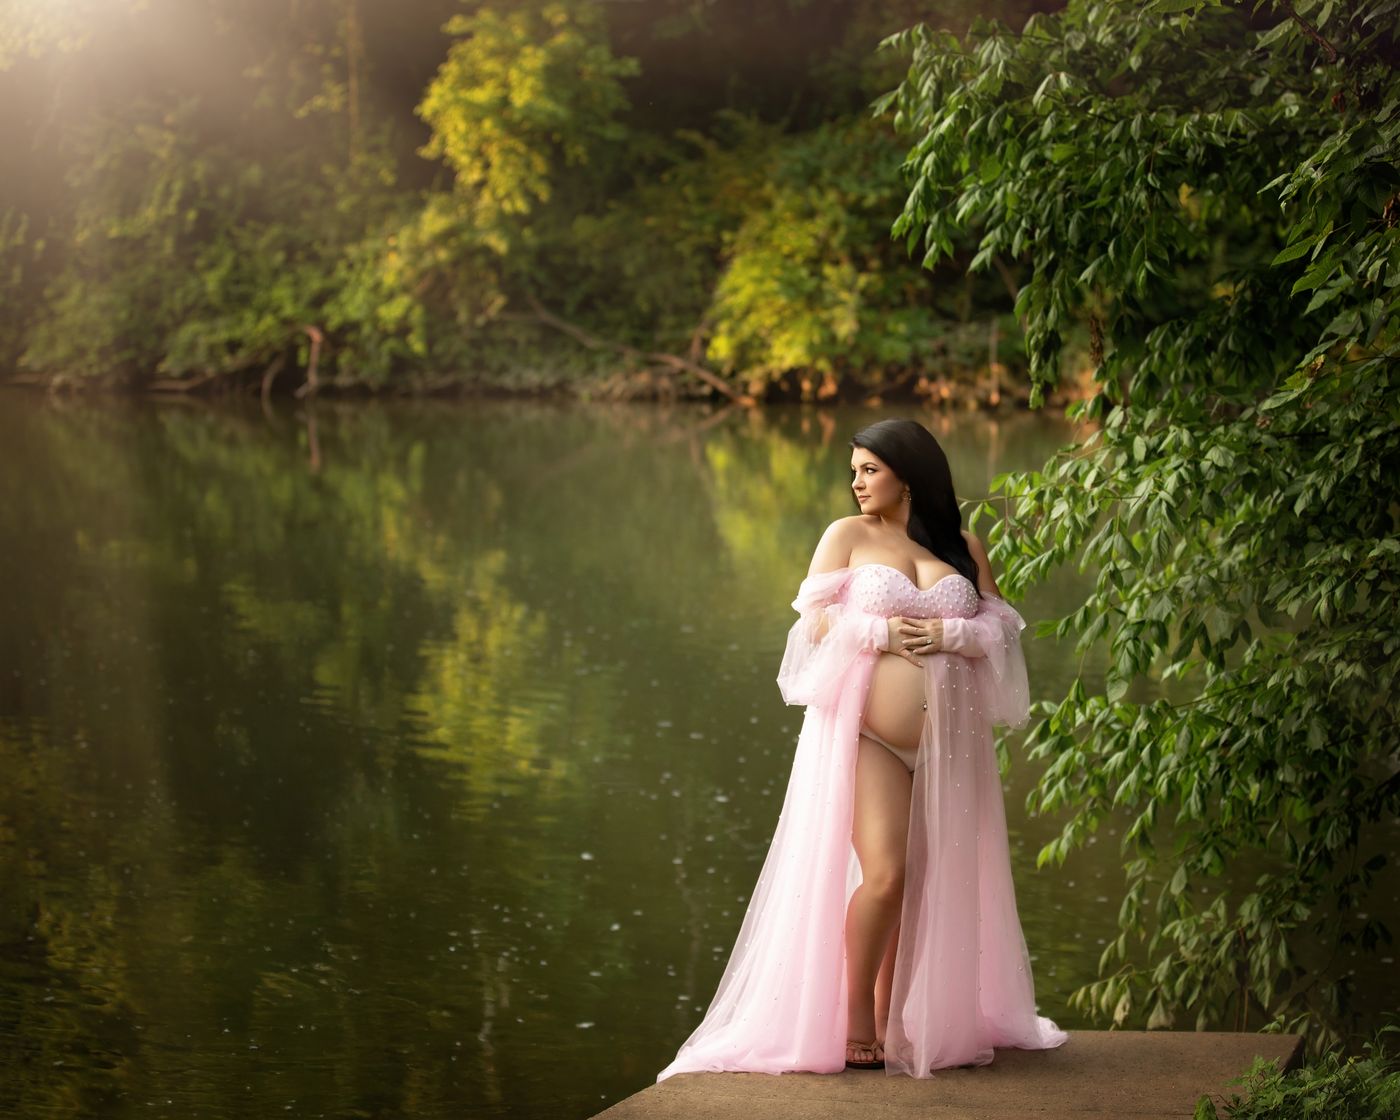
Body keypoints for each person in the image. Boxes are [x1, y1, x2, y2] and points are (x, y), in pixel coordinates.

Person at [658, 418, 1066, 1080]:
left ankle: (892, 1018)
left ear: (908, 472)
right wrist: (879, 630)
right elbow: (813, 625)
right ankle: (854, 1023)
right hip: (871, 736)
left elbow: (999, 627)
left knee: (920, 886)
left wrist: (955, 637)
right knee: (886, 874)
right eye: (854, 471)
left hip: (949, 749)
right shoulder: (845, 537)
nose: (856, 482)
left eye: (869, 469)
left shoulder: (962, 545)